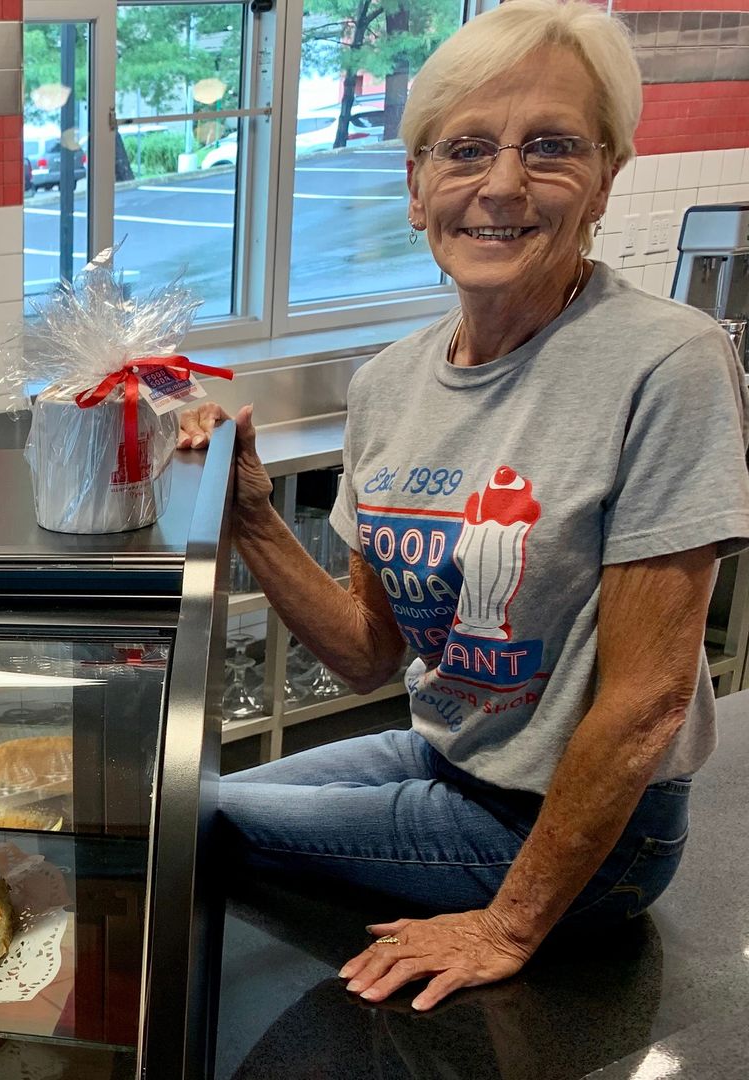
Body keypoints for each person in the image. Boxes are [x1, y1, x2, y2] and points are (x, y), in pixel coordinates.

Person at [178, 0, 749, 1012]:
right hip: (446, 754)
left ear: (607, 177)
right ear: (415, 185)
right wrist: (256, 517)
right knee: (182, 799)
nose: (501, 185)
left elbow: (649, 701)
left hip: (581, 837)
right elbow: (366, 652)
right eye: (467, 149)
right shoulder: (390, 385)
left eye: (551, 148)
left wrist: (508, 924)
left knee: (193, 825)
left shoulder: (666, 363)